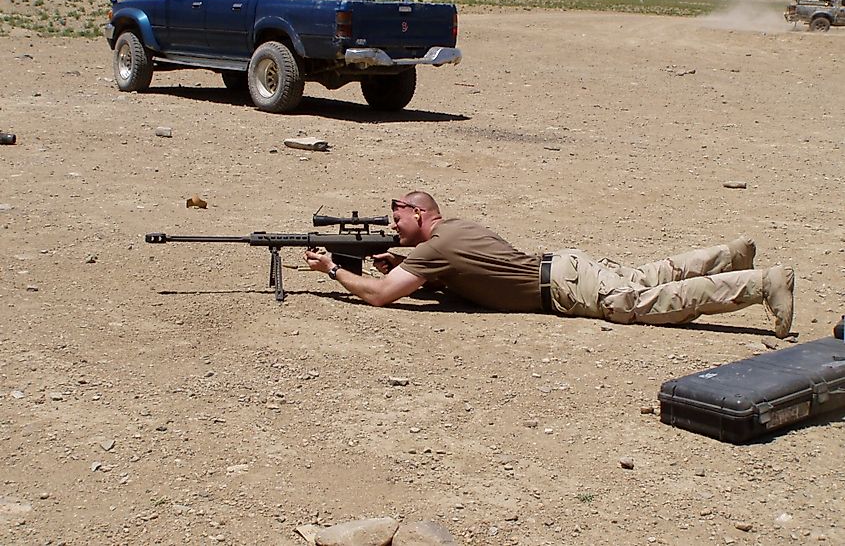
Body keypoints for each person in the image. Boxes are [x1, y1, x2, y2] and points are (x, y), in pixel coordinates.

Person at [304, 191, 795, 338]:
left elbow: (381, 295)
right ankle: (731, 254)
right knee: (647, 275)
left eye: (397, 215)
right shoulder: (458, 230)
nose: (392, 223)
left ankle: (760, 284)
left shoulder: (436, 249)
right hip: (566, 266)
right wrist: (403, 258)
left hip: (563, 288)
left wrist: (332, 270)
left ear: (420, 213)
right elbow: (469, 268)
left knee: (650, 302)